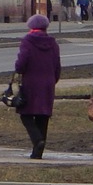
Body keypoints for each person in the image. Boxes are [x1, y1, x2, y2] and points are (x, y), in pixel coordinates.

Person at [14, 14, 61, 159]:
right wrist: (53, 80)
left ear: (31, 26)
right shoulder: (53, 42)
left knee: (25, 114)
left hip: (31, 83)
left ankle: (37, 140)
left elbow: (21, 63)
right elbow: (57, 65)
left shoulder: (28, 41)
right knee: (43, 116)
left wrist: (18, 70)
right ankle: (38, 152)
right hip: (48, 83)